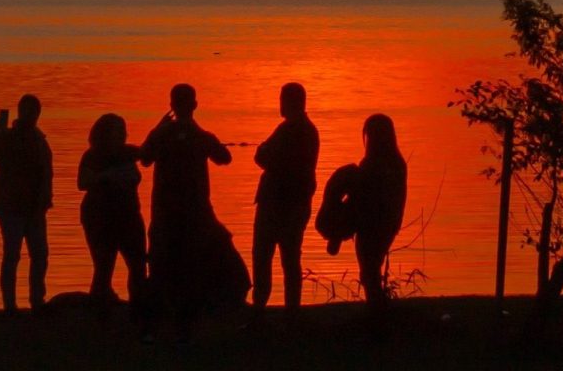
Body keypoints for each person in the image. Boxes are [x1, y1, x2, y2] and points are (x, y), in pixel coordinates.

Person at [139, 84, 250, 340]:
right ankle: (188, 320)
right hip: (195, 213)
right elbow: (224, 157)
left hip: (166, 213)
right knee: (193, 263)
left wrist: (158, 128)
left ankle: (160, 323)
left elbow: (144, 158)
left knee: (163, 265)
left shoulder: (163, 134)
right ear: (195, 105)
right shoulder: (201, 136)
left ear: (172, 105)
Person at [317, 114, 406, 310]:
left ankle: (376, 311)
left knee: (369, 269)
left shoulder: (375, 164)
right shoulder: (396, 163)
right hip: (385, 223)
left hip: (372, 224)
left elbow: (366, 195)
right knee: (370, 268)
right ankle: (376, 308)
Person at [251, 83, 320, 321]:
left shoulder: (296, 131)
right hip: (287, 203)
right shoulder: (296, 129)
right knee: (282, 258)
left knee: (272, 258)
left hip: (282, 205)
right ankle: (285, 311)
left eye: (283, 99)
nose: (280, 104)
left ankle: (269, 310)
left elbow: (265, 157)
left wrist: (265, 153)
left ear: (293, 102)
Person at [0, 94, 53, 315]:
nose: (31, 115)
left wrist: (45, 200)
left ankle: (37, 301)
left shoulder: (39, 139)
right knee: (13, 254)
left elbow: (46, 173)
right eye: (27, 111)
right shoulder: (8, 136)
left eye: (34, 111)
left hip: (34, 208)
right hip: (10, 206)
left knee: (40, 255)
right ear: (21, 112)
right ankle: (10, 305)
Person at [77, 113, 147, 320]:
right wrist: (106, 176)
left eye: (123, 130)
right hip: (100, 217)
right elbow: (82, 183)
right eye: (118, 130)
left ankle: (138, 308)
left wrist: (160, 128)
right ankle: (100, 312)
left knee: (138, 264)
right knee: (104, 265)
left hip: (129, 216)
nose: (123, 134)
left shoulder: (128, 152)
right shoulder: (92, 155)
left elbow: (146, 151)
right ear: (104, 132)